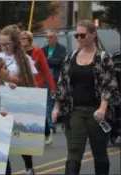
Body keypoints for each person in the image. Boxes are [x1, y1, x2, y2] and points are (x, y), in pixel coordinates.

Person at [52, 20, 120, 175]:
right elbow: (62, 83)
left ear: (93, 35)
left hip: (96, 112)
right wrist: (56, 108)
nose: (79, 38)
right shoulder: (70, 57)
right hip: (75, 111)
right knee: (74, 152)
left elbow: (109, 85)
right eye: (77, 35)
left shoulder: (103, 58)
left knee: (99, 152)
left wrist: (103, 108)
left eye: (83, 35)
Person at [0, 24, 37, 175]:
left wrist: (12, 79)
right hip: (1, 102)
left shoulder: (24, 59)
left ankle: (29, 167)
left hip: (18, 101)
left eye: (7, 43)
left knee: (20, 138)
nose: (4, 47)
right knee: (2, 140)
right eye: (2, 44)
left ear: (15, 42)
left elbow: (30, 81)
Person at [20, 31, 56, 145]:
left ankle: (47, 132)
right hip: (21, 84)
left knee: (37, 110)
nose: (23, 40)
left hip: (36, 84)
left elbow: (45, 70)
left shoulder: (37, 51)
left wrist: (52, 86)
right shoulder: (18, 52)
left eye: (25, 38)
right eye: (21, 38)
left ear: (29, 39)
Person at [42, 30, 67, 134]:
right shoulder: (43, 49)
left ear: (56, 38)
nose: (49, 39)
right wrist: (50, 61)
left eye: (51, 37)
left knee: (53, 101)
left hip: (56, 79)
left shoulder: (62, 49)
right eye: (47, 37)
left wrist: (47, 61)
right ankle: (50, 124)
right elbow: (40, 63)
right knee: (48, 102)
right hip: (45, 79)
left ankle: (52, 123)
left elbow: (60, 62)